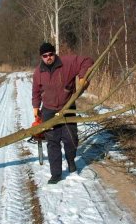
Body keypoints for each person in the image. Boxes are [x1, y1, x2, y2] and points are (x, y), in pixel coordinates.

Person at [32, 42, 94, 184]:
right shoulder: (38, 72)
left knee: (71, 139)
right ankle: (56, 174)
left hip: (67, 107)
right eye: (45, 55)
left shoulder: (67, 63)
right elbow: (35, 91)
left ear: (54, 53)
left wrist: (82, 76)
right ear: (41, 57)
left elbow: (87, 60)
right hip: (48, 110)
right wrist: (36, 107)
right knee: (53, 142)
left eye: (51, 54)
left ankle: (71, 163)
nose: (48, 57)